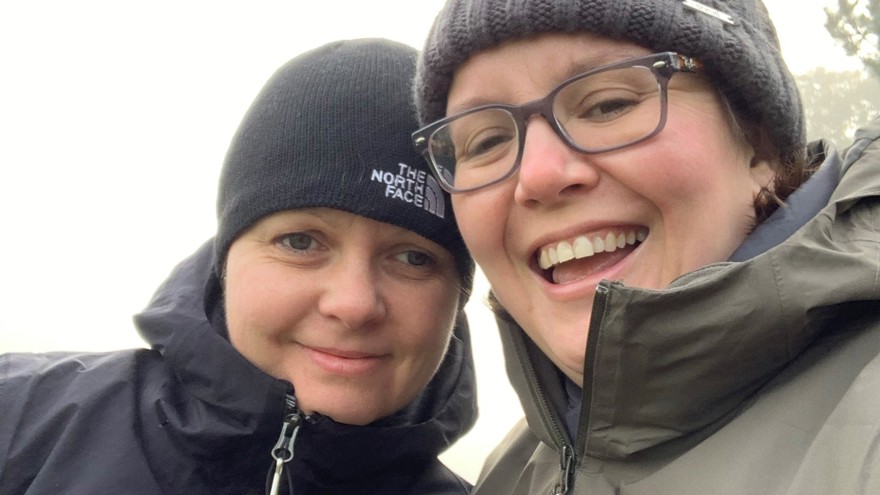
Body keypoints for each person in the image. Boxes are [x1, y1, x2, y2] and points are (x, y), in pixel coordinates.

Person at [411, 0, 880, 493]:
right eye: (484, 142)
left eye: (609, 104)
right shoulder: (513, 472)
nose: (540, 175)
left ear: (760, 144)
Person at [0, 38, 476, 495]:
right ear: (226, 256)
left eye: (414, 258)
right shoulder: (18, 419)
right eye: (300, 241)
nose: (353, 304)